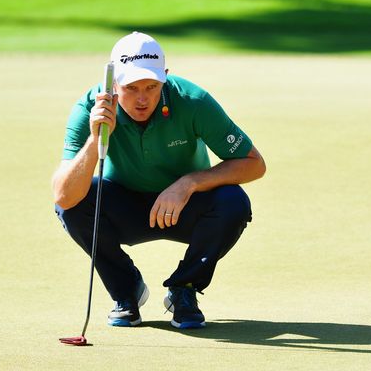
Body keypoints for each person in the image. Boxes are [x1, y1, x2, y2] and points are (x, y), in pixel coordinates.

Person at [52, 31, 266, 329]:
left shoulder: (192, 100)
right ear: (113, 83)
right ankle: (126, 292)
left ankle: (184, 289)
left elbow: (254, 164)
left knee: (233, 202)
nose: (143, 98)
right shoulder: (90, 107)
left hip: (184, 207)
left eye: (152, 86)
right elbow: (63, 195)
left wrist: (189, 182)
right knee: (74, 205)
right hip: (122, 205)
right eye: (131, 88)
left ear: (165, 77)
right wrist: (95, 138)